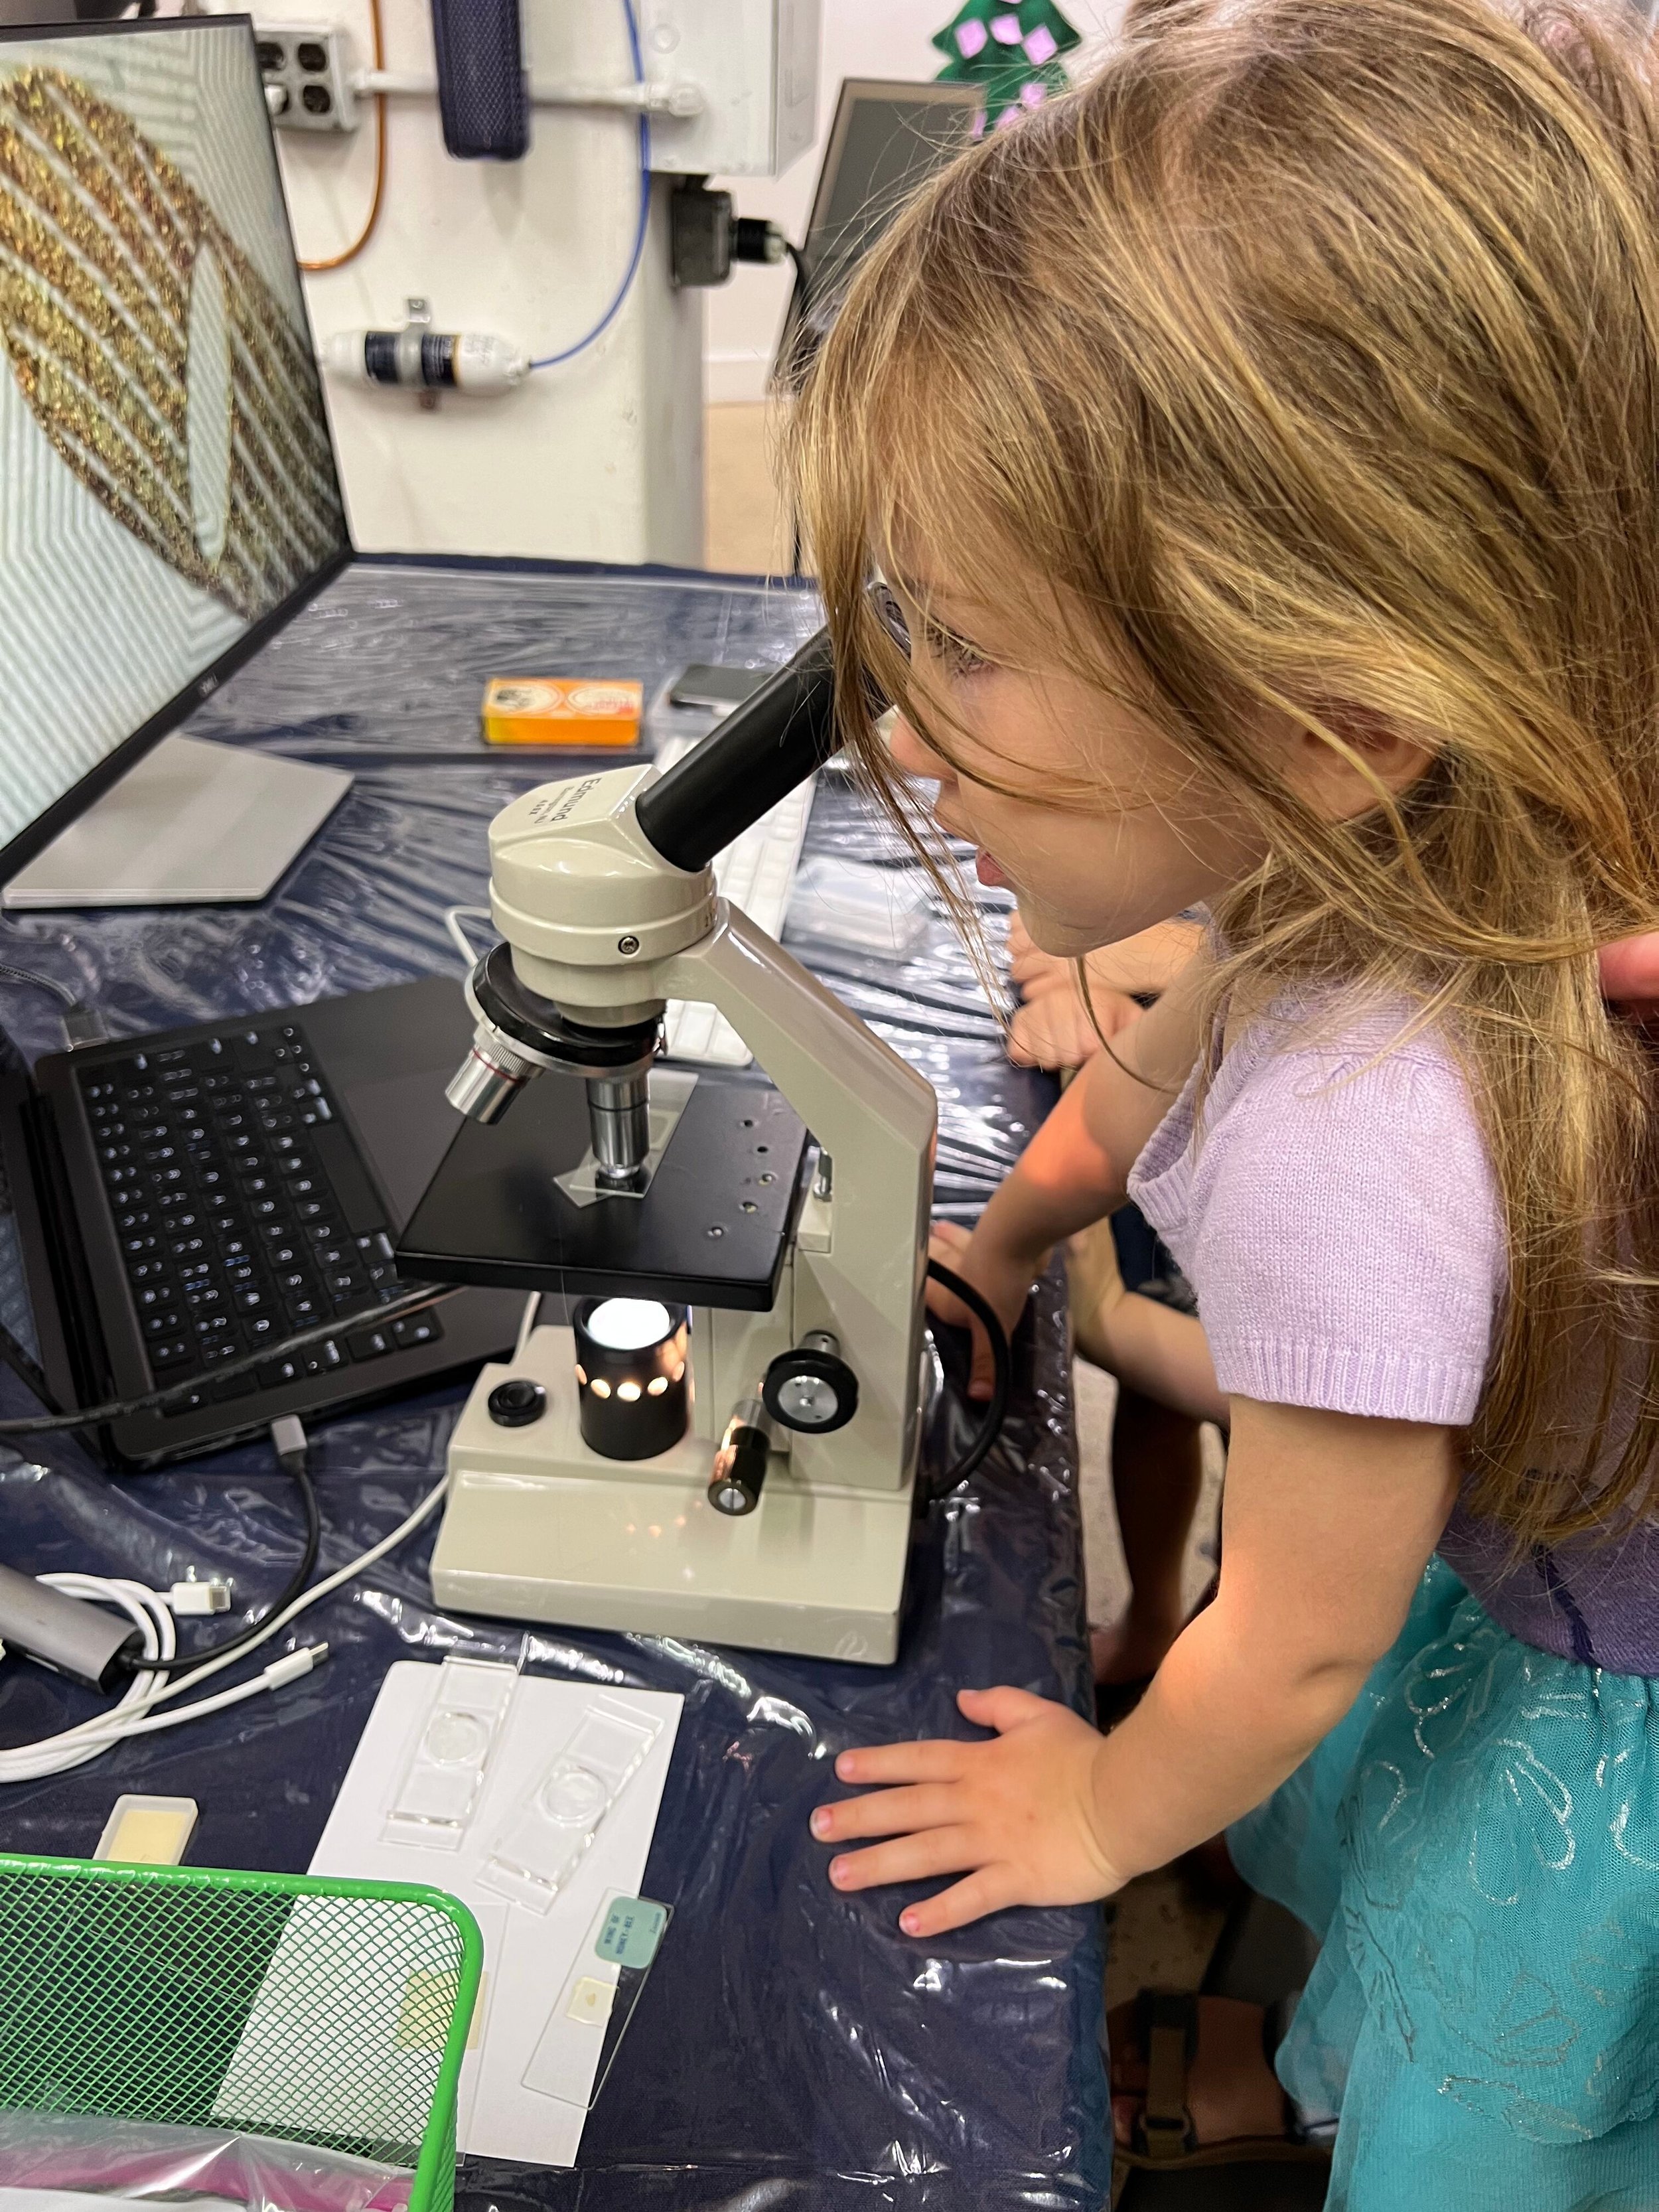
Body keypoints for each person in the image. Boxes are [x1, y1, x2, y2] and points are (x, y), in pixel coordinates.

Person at [786, 3, 1659, 2200]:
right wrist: (994, 1239)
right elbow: (1151, 1056)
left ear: (1322, 711)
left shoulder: (1350, 1133)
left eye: (961, 649)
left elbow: (1293, 1636)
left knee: (1487, 2085)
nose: (904, 725)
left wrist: (1088, 1814)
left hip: (1604, 1709)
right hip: (1506, 1560)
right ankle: (1272, 2017)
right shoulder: (1370, 849)